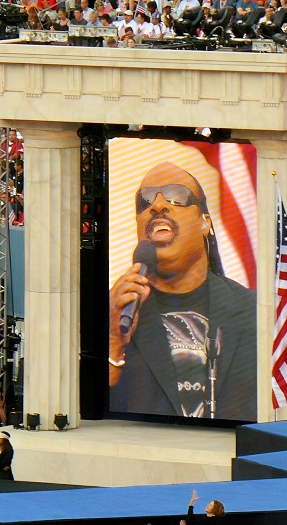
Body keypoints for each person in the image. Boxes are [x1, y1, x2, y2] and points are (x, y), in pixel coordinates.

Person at [108, 163, 257, 421]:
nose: (157, 205)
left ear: (204, 223)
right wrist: (112, 345)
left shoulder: (253, 311)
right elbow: (84, 406)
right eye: (145, 200)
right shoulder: (114, 311)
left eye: (176, 195)